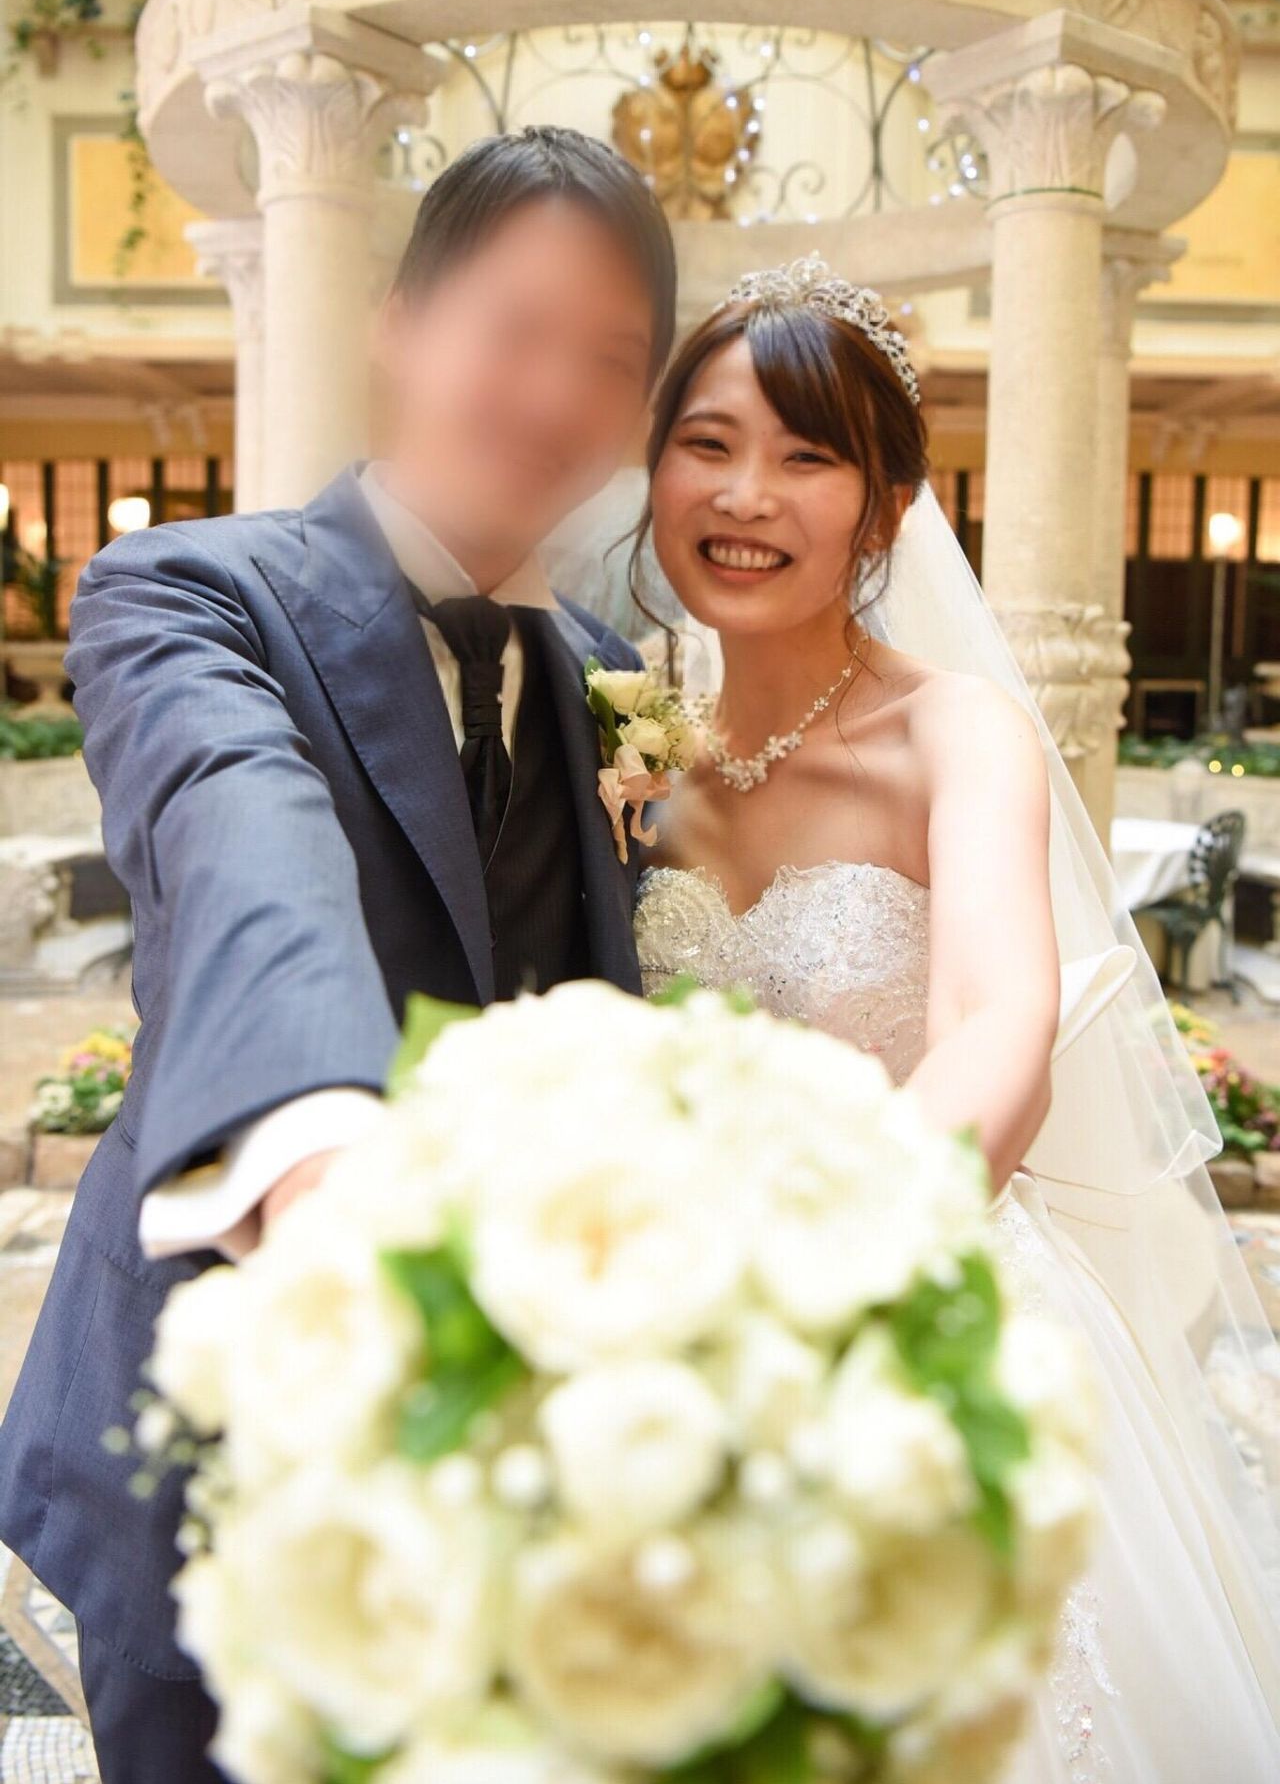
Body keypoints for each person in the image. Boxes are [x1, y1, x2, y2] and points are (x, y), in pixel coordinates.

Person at [0, 126, 675, 1784]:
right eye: (515, 329)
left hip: (514, 1463)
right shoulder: (190, 593)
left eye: (609, 360)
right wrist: (320, 1152)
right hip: (226, 1432)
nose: (556, 397)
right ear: (400, 324)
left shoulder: (607, 670)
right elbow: (249, 851)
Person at [634, 256, 1280, 1781]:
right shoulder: (634, 736)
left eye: (808, 456)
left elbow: (997, 1025)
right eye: (709, 445)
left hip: (913, 1298)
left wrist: (822, 1281)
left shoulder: (956, 731)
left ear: (887, 508)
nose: (747, 495)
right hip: (659, 1316)